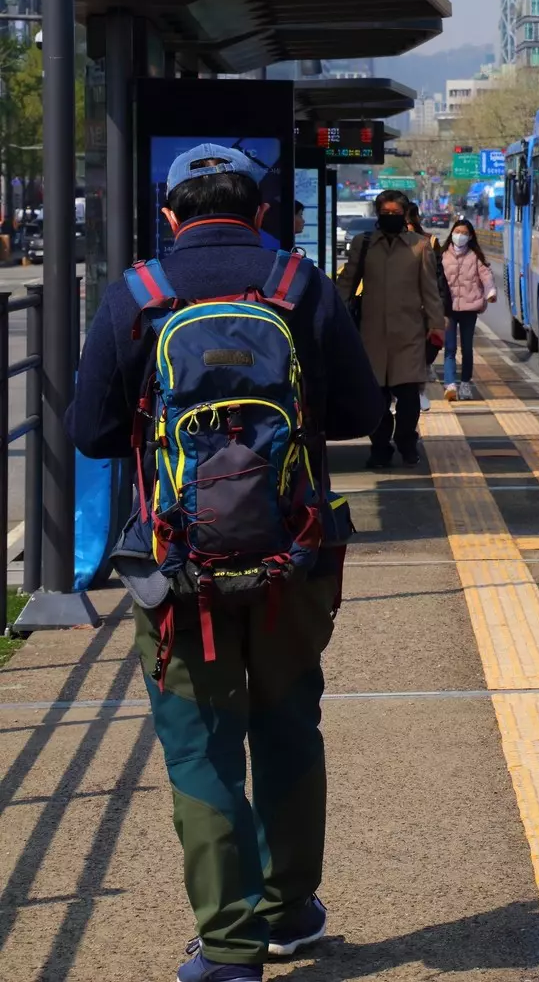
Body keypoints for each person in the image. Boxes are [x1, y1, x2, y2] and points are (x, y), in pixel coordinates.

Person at [68, 144, 383, 982]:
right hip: (294, 556)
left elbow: (90, 432)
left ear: (170, 216)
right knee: (288, 726)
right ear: (262, 210)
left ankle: (231, 948)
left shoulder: (138, 296)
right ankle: (290, 911)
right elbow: (359, 409)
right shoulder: (298, 286)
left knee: (202, 748)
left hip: (176, 571)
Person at [337, 189, 447, 468]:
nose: (389, 218)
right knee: (376, 399)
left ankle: (406, 442)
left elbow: (431, 292)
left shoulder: (420, 246)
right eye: (384, 214)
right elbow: (346, 285)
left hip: (408, 335)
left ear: (405, 214)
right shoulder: (363, 244)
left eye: (395, 214)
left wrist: (436, 328)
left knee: (409, 398)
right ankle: (379, 448)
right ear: (377, 214)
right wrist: (333, 317)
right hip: (371, 336)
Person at [439, 218, 496, 401]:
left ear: (470, 236)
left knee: (467, 348)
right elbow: (434, 280)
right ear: (452, 233)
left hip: (469, 308)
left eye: (464, 233)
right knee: (449, 348)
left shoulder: (475, 256)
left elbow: (486, 277)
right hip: (448, 309)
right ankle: (450, 384)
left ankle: (465, 384)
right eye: (457, 232)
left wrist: (491, 292)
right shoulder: (442, 256)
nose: (460, 236)